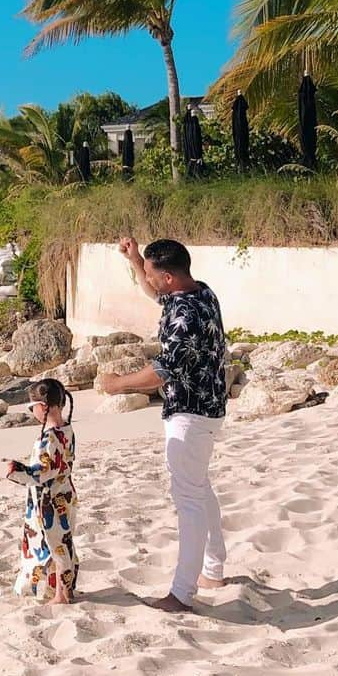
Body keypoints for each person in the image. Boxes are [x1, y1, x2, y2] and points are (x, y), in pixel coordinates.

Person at [100, 238, 228, 613]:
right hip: (210, 406)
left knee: (188, 500)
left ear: (169, 277)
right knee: (200, 487)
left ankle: (182, 593)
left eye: (156, 277)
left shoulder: (185, 317)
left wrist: (116, 384)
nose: (151, 283)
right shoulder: (200, 292)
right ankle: (214, 569)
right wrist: (137, 259)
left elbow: (162, 371)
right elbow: (152, 289)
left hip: (190, 413)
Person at [6, 377, 78, 604]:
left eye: (33, 406)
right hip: (66, 493)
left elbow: (42, 472)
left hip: (49, 499)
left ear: (44, 406)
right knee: (63, 542)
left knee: (52, 545)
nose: (32, 411)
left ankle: (60, 595)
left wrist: (15, 471)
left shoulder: (49, 438)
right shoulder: (67, 429)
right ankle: (63, 590)